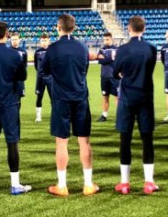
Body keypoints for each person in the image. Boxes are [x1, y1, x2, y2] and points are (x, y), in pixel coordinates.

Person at [43, 14, 99, 197]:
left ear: (58, 27)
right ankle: (88, 184)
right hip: (80, 97)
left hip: (61, 100)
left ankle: (62, 185)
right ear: (74, 28)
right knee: (84, 141)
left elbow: (45, 71)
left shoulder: (52, 49)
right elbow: (84, 70)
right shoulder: (82, 47)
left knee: (61, 142)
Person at [0, 21, 31, 195]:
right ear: (7, 34)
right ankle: (15, 184)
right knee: (11, 141)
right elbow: (22, 76)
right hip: (9, 102)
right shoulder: (15, 55)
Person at [112, 17, 159, 195]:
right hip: (146, 97)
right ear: (144, 28)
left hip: (127, 98)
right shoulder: (151, 48)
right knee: (147, 139)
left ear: (129, 28)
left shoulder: (123, 49)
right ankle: (149, 182)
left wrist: (124, 73)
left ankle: (124, 183)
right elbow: (150, 69)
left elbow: (115, 72)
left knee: (125, 139)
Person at [97, 32, 119, 122]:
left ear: (111, 39)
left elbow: (118, 61)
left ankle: (120, 115)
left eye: (107, 39)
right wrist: (111, 59)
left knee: (118, 97)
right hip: (104, 77)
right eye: (104, 39)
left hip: (115, 76)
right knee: (105, 96)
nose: (105, 41)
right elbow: (100, 60)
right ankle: (104, 115)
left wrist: (105, 58)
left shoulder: (117, 49)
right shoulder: (102, 49)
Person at [34, 34, 51, 122]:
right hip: (40, 78)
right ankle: (38, 116)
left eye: (45, 40)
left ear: (49, 41)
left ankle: (55, 115)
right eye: (42, 41)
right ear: (40, 42)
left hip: (50, 77)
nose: (43, 42)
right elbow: (36, 65)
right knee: (39, 96)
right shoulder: (37, 52)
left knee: (53, 97)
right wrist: (40, 72)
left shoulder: (52, 51)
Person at [10, 33, 28, 99]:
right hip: (10, 79)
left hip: (19, 80)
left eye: (16, 39)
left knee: (18, 99)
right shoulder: (8, 51)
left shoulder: (23, 52)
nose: (14, 41)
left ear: (19, 40)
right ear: (10, 40)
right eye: (13, 39)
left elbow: (25, 64)